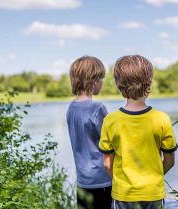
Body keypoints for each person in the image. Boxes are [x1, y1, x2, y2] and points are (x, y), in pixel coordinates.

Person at [99, 55, 178, 209]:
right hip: (153, 193)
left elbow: (107, 164)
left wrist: (121, 182)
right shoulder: (162, 119)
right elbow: (170, 160)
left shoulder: (110, 120)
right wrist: (154, 178)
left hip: (123, 194)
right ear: (149, 83)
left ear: (118, 85)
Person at [66, 56, 112, 209]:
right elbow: (111, 142)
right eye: (101, 78)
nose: (102, 82)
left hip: (82, 181)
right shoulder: (97, 108)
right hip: (102, 180)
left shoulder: (71, 108)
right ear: (94, 81)